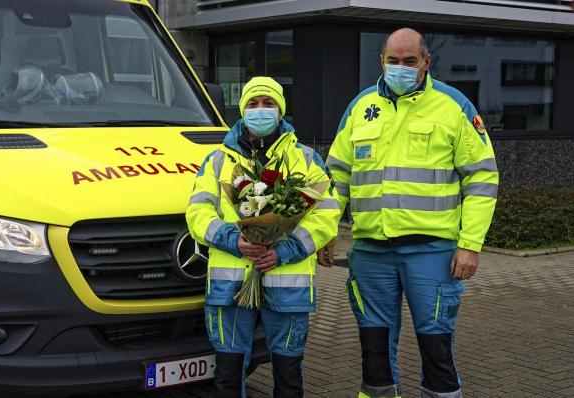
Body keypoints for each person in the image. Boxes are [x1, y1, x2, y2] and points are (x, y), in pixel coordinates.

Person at [322, 28, 499, 398]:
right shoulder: (360, 107)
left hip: (432, 253)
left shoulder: (454, 106)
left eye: (410, 61)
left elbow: (482, 179)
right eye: (393, 61)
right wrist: (325, 231)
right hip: (371, 251)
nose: (400, 67)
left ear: (426, 62)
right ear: (381, 61)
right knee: (373, 348)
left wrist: (470, 245)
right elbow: (336, 176)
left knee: (436, 348)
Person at [186, 76, 339, 398]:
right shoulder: (217, 161)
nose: (261, 110)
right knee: (227, 376)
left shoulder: (307, 160)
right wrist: (234, 240)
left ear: (281, 111)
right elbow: (197, 213)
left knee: (288, 377)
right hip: (231, 285)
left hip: (287, 282)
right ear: (242, 111)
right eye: (253, 104)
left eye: (268, 104)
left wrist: (286, 250)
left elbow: (328, 213)